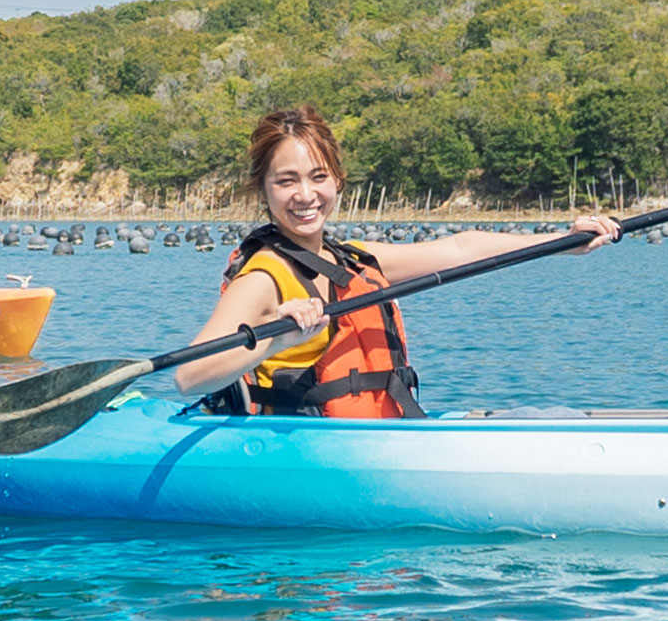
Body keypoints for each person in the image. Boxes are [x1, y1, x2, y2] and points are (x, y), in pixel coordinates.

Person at [177, 104, 621, 417]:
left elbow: (459, 250)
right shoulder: (263, 277)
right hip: (317, 453)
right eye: (286, 181)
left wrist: (564, 241)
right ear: (264, 189)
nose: (306, 195)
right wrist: (276, 341)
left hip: (386, 434)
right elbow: (190, 377)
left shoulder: (349, 259)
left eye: (318, 177)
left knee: (552, 419)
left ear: (338, 181)